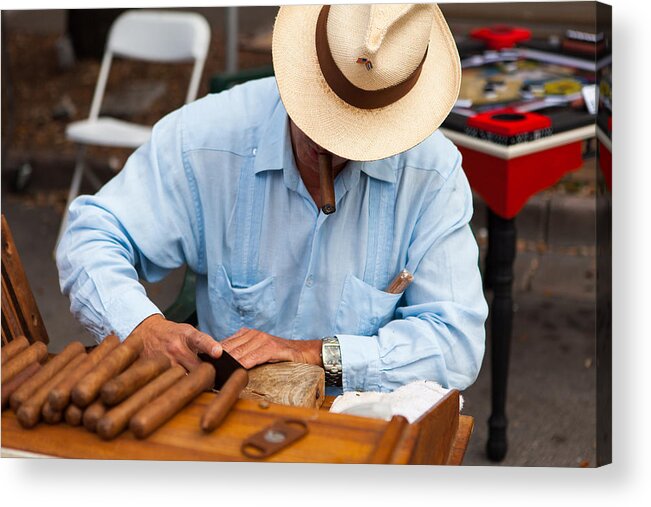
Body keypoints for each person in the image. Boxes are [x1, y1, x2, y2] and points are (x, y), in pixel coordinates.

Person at [57, 3, 488, 394]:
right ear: (298, 76)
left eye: (352, 138)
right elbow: (90, 235)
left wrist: (314, 355)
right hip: (228, 416)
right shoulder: (208, 138)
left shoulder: (430, 173)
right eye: (319, 120)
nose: (327, 148)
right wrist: (142, 327)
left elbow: (456, 343)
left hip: (361, 428)